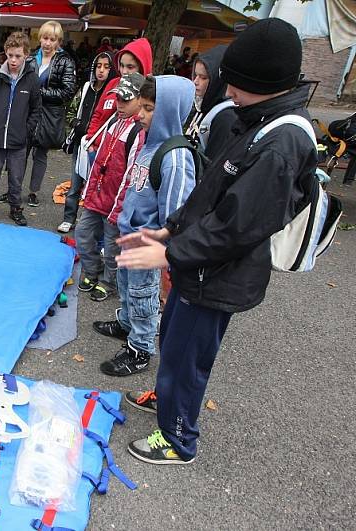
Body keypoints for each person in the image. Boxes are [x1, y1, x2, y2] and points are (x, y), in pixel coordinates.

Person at [119, 19, 316, 465]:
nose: (227, 93)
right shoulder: (256, 118)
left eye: (237, 85)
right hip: (199, 263)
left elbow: (237, 226)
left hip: (218, 273)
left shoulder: (282, 143)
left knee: (188, 356)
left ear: (263, 84)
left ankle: (178, 437)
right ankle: (168, 404)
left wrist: (168, 252)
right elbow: (210, 189)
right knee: (174, 343)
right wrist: (170, 228)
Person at [92, 74, 196, 377]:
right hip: (129, 236)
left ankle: (140, 348)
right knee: (126, 287)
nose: (140, 114)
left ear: (168, 111)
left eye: (149, 109)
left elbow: (175, 213)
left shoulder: (175, 156)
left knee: (143, 295)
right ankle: (127, 325)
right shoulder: (149, 144)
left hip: (146, 245)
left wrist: (160, 248)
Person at [75, 73, 145, 303]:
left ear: (140, 101)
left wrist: (118, 208)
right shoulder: (113, 123)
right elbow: (98, 162)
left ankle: (108, 282)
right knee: (83, 234)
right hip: (97, 196)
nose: (120, 105)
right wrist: (88, 191)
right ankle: (92, 271)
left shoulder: (138, 132)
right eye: (118, 100)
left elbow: (130, 174)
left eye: (126, 100)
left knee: (113, 246)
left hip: (117, 204)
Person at [0, 20, 75, 208]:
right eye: (45, 38)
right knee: (19, 153)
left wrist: (40, 93)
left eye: (53, 39)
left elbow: (68, 91)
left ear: (59, 42)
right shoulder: (30, 59)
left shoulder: (65, 61)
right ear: (39, 38)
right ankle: (13, 190)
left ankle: (33, 192)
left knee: (40, 154)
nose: (48, 43)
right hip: (27, 112)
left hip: (49, 115)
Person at [0, 32, 42, 226]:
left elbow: (36, 110)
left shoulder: (32, 80)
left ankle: (15, 208)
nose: (13, 60)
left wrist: (26, 131)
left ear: (27, 55)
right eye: (10, 55)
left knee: (16, 178)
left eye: (18, 56)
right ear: (5, 53)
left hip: (18, 140)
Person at [58, 51, 117, 234]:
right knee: (75, 183)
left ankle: (89, 222)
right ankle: (69, 218)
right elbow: (70, 111)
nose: (101, 71)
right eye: (98, 66)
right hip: (81, 143)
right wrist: (76, 123)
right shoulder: (85, 88)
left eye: (106, 67)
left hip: (101, 147)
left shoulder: (113, 93)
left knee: (96, 185)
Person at [84, 38, 152, 157]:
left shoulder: (148, 92)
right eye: (121, 65)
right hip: (96, 148)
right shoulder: (113, 83)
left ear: (142, 67)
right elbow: (98, 113)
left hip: (120, 154)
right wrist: (91, 139)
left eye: (130, 67)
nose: (124, 71)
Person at [183, 45, 237, 160]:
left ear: (217, 80)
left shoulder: (226, 117)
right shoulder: (203, 106)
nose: (195, 81)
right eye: (195, 75)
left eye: (203, 77)